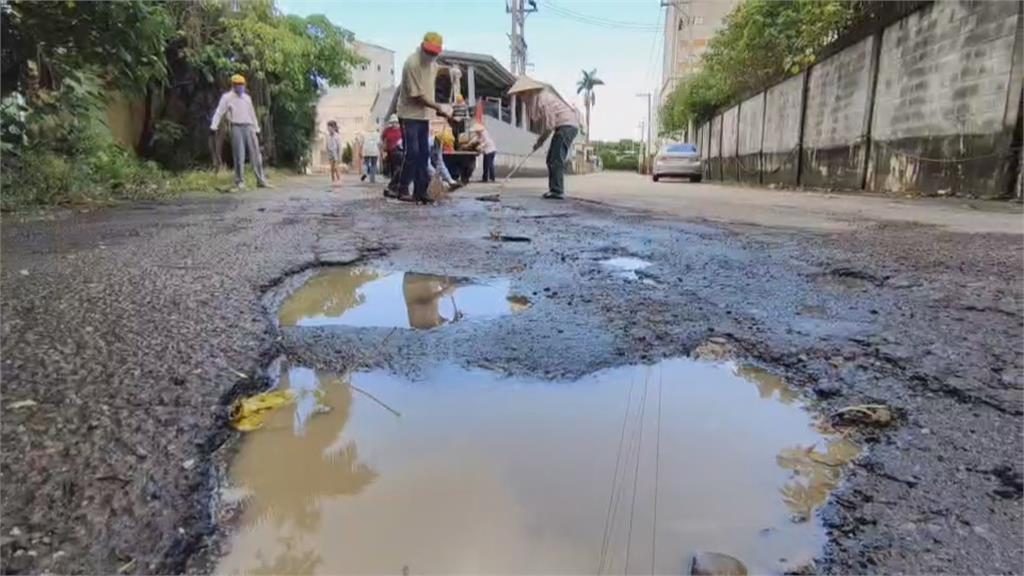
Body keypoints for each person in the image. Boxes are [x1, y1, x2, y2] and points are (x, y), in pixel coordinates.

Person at [394, 32, 453, 204]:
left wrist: (452, 72)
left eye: (435, 53)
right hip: (409, 114)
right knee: (412, 152)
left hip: (424, 116)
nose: (432, 56)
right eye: (429, 52)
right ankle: (402, 188)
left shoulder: (432, 63)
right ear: (422, 47)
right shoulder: (412, 64)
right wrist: (439, 107)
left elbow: (437, 69)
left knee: (423, 154)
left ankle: (421, 191)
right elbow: (417, 97)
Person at [507, 75, 579, 199]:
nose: (521, 99)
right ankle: (555, 189)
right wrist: (540, 141)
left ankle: (557, 191)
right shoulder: (538, 100)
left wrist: (541, 140)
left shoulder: (543, 100)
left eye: (521, 95)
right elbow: (546, 125)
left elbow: (549, 125)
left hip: (567, 126)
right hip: (562, 126)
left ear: (529, 92)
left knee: (556, 158)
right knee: (551, 158)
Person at [210, 74, 271, 189]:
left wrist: (257, 129)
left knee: (256, 154)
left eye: (242, 85)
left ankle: (261, 180)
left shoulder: (247, 98)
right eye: (238, 85)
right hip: (236, 127)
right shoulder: (227, 97)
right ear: (233, 85)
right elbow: (219, 112)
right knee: (239, 155)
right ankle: (240, 181)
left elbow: (252, 113)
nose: (240, 87)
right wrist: (214, 126)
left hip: (249, 126)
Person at [326, 121, 342, 187]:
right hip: (330, 155)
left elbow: (339, 147)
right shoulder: (328, 136)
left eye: (330, 127)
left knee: (336, 168)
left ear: (334, 128)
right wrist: (328, 153)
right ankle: (333, 181)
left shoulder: (337, 136)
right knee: (332, 169)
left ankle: (339, 180)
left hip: (336, 154)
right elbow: (327, 145)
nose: (329, 129)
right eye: (328, 127)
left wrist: (339, 156)